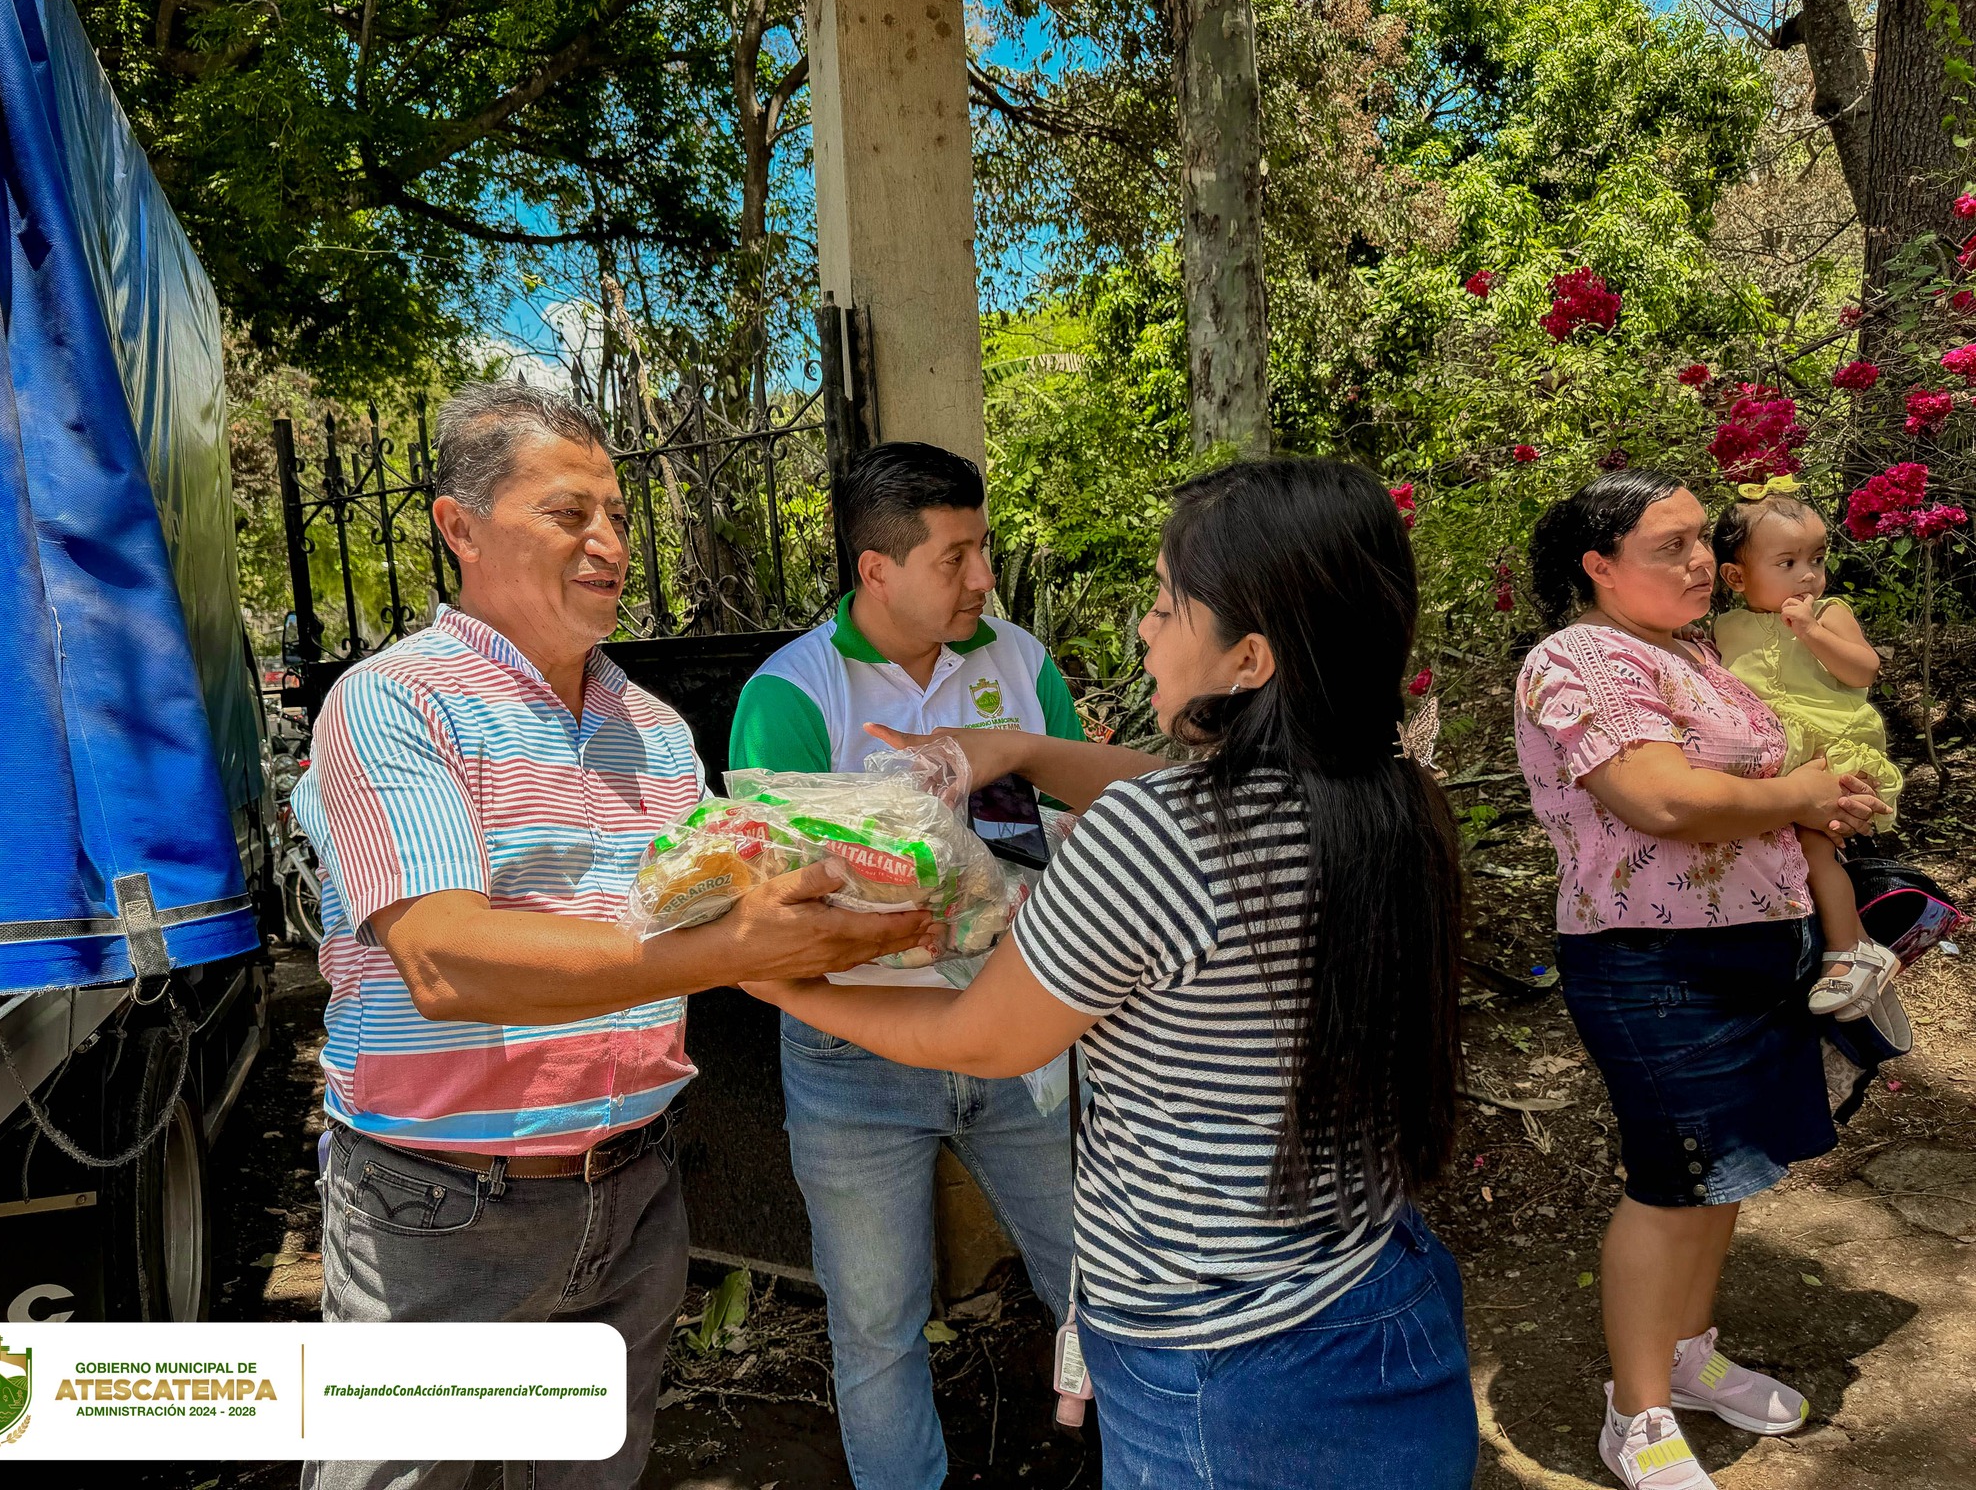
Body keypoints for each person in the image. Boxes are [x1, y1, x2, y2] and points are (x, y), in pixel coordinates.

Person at [745, 458, 1480, 1490]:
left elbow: (985, 1037)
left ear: (1249, 658)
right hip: (1377, 1290)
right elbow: (1182, 793)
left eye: (1168, 604)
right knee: (877, 1320)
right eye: (957, 556)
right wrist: (1018, 751)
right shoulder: (1396, 801)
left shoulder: (1152, 829)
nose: (1142, 627)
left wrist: (778, 983)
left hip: (1212, 1361)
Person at [292, 383, 930, 1490]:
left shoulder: (654, 729)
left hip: (634, 1189)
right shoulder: (394, 703)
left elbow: (709, 927)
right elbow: (445, 961)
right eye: (568, 513)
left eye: (619, 516)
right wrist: (734, 951)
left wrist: (862, 928)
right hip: (439, 1209)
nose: (610, 543)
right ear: (459, 528)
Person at [1515, 470, 1890, 1490]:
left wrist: (1821, 802)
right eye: (1668, 547)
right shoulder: (1576, 659)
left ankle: (1685, 1357)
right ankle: (1634, 1415)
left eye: (1698, 541)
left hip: (1758, 941)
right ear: (1598, 567)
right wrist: (1795, 791)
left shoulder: (1693, 651)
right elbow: (1661, 799)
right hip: (1654, 961)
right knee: (1673, 1183)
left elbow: (1755, 784)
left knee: (1727, 1172)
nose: (1698, 562)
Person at [727, 440, 1083, 1490]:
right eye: (954, 557)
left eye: (984, 549)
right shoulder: (792, 695)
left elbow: (1084, 815)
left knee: (1098, 1285)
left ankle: (1152, 1462)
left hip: (1020, 1026)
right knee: (877, 1324)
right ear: (875, 569)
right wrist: (922, 903)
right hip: (855, 1057)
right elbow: (770, 895)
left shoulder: (1018, 662)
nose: (982, 578)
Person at [1712, 479, 1904, 1016]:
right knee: (1791, 849)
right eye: (1788, 562)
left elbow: (1863, 669)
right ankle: (1841, 951)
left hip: (1830, 748)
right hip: (1778, 761)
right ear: (1736, 576)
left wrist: (1811, 632)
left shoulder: (1830, 612)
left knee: (1816, 847)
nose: (1808, 575)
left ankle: (1851, 950)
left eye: (1816, 559)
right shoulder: (1725, 626)